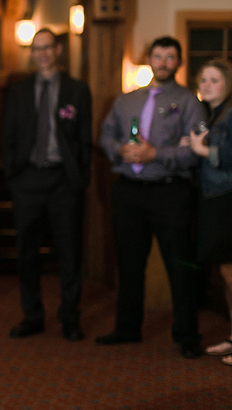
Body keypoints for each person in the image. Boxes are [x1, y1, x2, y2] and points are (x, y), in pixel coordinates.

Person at [98, 36, 204, 359]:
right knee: (129, 264)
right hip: (129, 191)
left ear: (178, 62)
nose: (163, 62)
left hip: (169, 192)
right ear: (149, 59)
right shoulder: (126, 100)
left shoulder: (188, 102)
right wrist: (120, 149)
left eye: (170, 57)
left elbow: (193, 153)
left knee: (179, 265)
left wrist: (155, 153)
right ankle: (127, 328)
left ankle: (187, 334)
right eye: (157, 56)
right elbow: (105, 135)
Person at [1, 29, 92, 342]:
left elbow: (84, 140)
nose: (41, 53)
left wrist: (80, 178)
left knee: (69, 252)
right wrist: (13, 175)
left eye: (47, 47)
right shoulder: (19, 91)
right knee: (27, 253)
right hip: (27, 180)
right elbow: (8, 137)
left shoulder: (78, 90)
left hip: (63, 181)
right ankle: (33, 315)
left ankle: (70, 316)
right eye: (36, 48)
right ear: (32, 52)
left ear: (58, 49)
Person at [188, 59, 232, 365]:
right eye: (203, 79)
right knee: (226, 273)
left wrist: (200, 150)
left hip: (227, 198)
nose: (206, 85)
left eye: (214, 80)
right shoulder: (214, 113)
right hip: (214, 197)